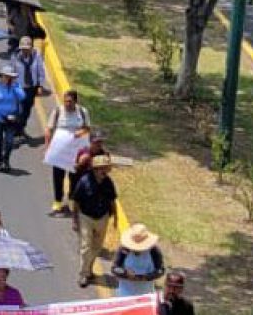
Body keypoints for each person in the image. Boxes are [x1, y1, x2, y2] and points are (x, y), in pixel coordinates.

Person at [72, 154, 118, 288]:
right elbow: (76, 202)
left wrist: (115, 217)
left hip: (102, 217)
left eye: (106, 168)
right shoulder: (84, 182)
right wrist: (75, 220)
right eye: (101, 168)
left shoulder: (108, 182)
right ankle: (84, 274)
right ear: (95, 169)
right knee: (86, 247)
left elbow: (112, 200)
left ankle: (89, 268)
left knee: (96, 247)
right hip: (86, 217)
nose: (104, 171)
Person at [46, 90, 91, 215]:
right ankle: (57, 202)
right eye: (65, 101)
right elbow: (49, 129)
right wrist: (48, 147)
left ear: (75, 102)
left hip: (75, 150)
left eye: (70, 102)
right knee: (58, 177)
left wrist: (80, 133)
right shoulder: (58, 111)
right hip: (60, 150)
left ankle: (72, 200)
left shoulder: (82, 112)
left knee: (75, 176)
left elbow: (87, 128)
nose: (67, 104)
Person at [112, 224, 165, 297]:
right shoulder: (124, 250)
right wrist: (125, 273)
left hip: (146, 293)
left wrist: (147, 277)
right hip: (125, 293)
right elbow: (114, 268)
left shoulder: (153, 251)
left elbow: (160, 270)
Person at [13, 37, 48, 138]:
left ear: (31, 48)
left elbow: (41, 72)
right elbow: (11, 71)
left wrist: (40, 86)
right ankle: (16, 131)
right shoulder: (15, 57)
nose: (25, 50)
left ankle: (21, 128)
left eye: (27, 48)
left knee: (27, 110)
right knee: (18, 110)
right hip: (19, 87)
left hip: (31, 88)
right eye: (23, 48)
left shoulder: (37, 56)